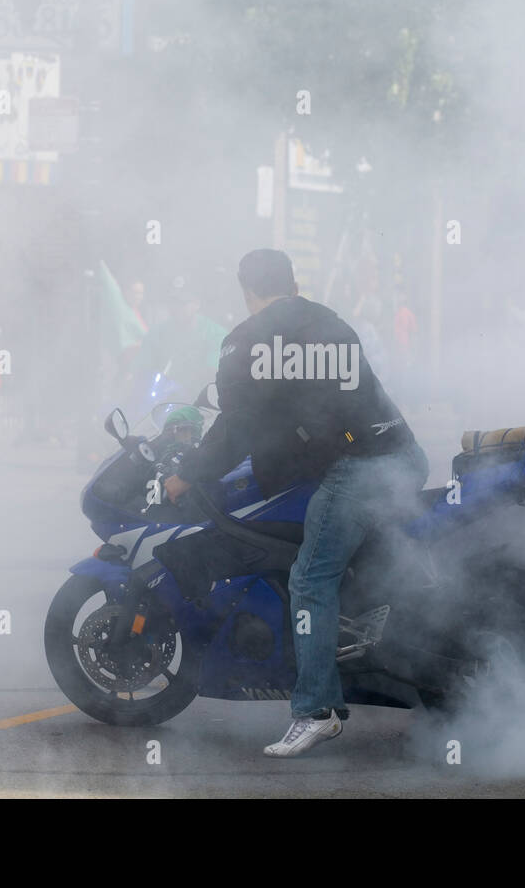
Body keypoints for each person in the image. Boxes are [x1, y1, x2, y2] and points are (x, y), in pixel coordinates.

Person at [162, 249, 428, 758]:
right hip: (404, 454)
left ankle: (315, 711)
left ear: (246, 289)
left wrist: (187, 474)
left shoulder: (248, 340)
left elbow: (236, 427)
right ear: (292, 281)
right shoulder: (329, 322)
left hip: (363, 467)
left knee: (309, 577)